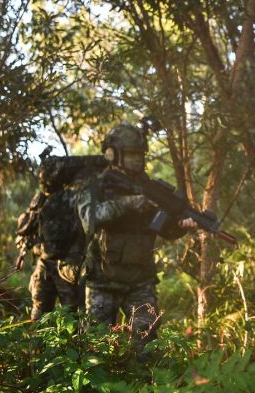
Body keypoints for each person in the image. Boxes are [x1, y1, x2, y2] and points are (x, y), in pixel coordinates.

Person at [76, 122, 196, 348]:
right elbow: (89, 219)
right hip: (103, 280)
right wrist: (128, 204)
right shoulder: (97, 185)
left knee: (146, 347)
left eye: (140, 154)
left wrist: (182, 226)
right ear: (113, 154)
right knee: (96, 349)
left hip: (140, 281)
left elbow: (166, 230)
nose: (138, 159)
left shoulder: (151, 189)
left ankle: (145, 383)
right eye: (132, 154)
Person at [17, 165, 87, 321]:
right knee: (42, 312)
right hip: (47, 263)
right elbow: (26, 226)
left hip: (67, 264)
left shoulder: (71, 197)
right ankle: (40, 344)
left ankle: (66, 343)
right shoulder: (41, 199)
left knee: (69, 314)